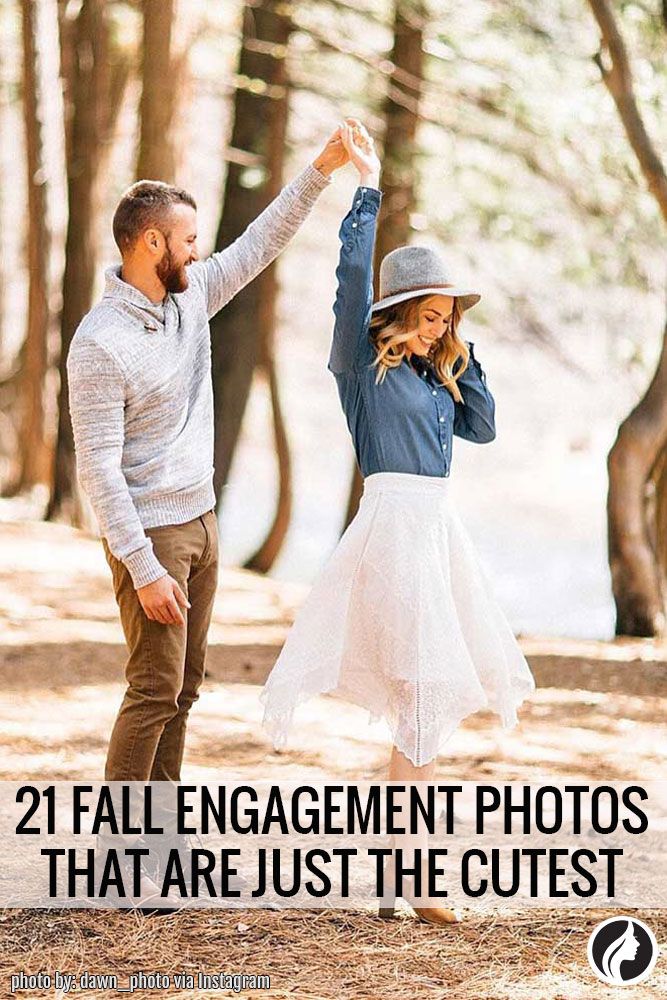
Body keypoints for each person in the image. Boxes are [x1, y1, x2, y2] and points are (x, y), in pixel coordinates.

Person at [260, 120, 536, 925]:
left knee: (422, 699)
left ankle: (397, 869)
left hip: (436, 535)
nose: (437, 325)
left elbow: (482, 427)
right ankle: (414, 876)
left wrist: (460, 353)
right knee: (417, 696)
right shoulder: (361, 370)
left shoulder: (436, 374)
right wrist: (366, 190)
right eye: (428, 315)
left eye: (447, 315)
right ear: (399, 310)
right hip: (390, 534)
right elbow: (350, 281)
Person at [67, 127, 350, 911]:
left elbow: (260, 244)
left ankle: (158, 850)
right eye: (187, 240)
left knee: (184, 688)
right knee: (152, 688)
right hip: (150, 537)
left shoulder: (188, 302)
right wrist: (143, 566)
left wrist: (318, 173)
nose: (198, 252)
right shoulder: (100, 344)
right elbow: (97, 470)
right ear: (147, 242)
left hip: (202, 523)